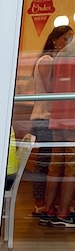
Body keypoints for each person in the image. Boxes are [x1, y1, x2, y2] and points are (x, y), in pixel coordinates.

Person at [28, 25, 74, 217]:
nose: (68, 43)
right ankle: (48, 206)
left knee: (52, 163)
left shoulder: (57, 59)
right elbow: (52, 90)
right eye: (66, 38)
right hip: (47, 116)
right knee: (46, 163)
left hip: (52, 116)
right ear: (55, 40)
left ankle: (49, 207)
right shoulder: (48, 60)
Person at [41, 36, 75, 228]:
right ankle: (63, 213)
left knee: (56, 165)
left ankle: (48, 209)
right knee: (71, 168)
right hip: (73, 118)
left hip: (58, 113)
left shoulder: (63, 52)